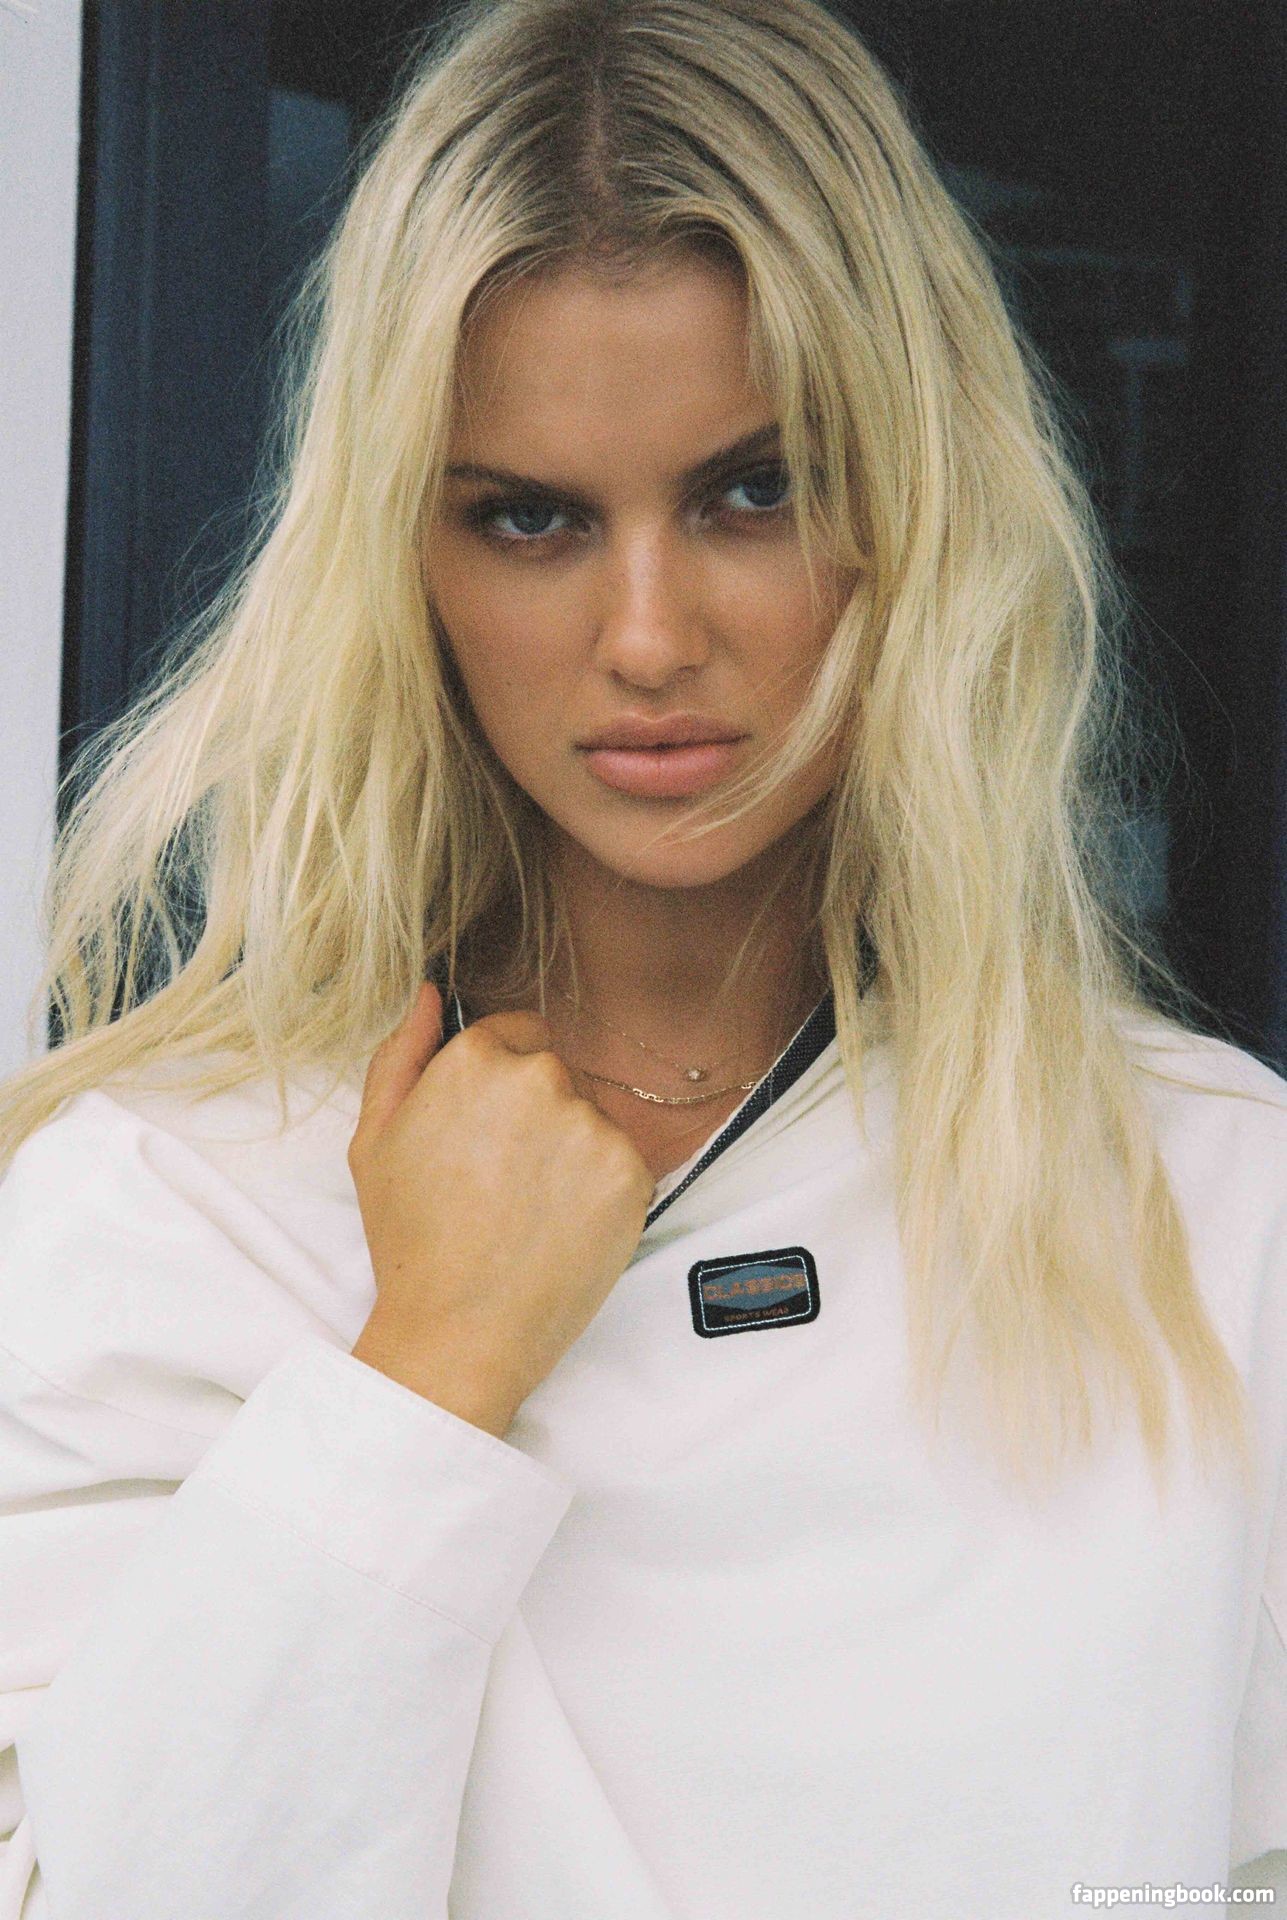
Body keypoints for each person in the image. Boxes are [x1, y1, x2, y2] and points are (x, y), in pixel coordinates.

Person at [0, 0, 1283, 1912]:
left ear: (919, 503)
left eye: (753, 490)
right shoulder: (171, 1204)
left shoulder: (1210, 1203)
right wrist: (427, 1372)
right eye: (529, 519)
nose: (651, 637)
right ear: (401, 558)